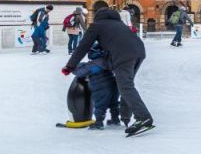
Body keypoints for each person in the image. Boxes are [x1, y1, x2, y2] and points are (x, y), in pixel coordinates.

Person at [62, 8, 153, 136]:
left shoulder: (97, 25)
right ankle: (126, 117)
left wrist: (70, 66)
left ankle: (143, 117)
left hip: (123, 55)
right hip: (139, 51)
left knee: (125, 86)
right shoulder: (119, 24)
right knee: (127, 85)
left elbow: (83, 46)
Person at [71, 43, 120, 130]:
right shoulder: (107, 61)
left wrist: (77, 65)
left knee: (100, 105)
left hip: (101, 88)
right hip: (113, 85)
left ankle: (98, 123)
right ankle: (115, 119)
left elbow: (79, 72)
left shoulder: (94, 65)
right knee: (114, 103)